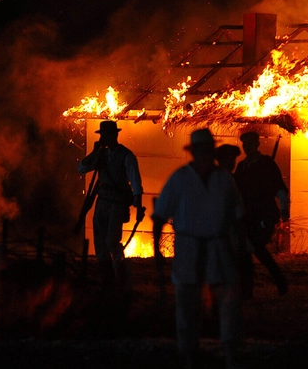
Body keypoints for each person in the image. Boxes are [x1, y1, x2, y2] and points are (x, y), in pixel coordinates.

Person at [152, 128, 247, 369]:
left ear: (211, 152)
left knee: (229, 302)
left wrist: (240, 250)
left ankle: (230, 355)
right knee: (186, 304)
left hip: (219, 246)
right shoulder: (180, 179)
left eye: (207, 150)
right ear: (193, 152)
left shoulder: (225, 180)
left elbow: (237, 217)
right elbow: (160, 217)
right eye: (200, 150)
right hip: (188, 248)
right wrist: (157, 254)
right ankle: (188, 356)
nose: (204, 154)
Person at [77, 120, 144, 295]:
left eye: (105, 135)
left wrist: (138, 199)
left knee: (112, 241)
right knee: (100, 243)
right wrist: (94, 152)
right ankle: (108, 280)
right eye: (102, 135)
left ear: (114, 135)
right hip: (102, 201)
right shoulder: (101, 155)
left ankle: (121, 277)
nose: (103, 138)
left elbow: (135, 180)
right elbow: (81, 169)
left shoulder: (126, 155)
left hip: (117, 203)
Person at [234, 131, 290, 297]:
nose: (247, 147)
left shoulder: (267, 164)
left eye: (250, 144)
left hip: (264, 214)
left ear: (257, 145)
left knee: (257, 247)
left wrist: (284, 209)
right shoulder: (242, 166)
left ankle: (279, 280)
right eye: (245, 144)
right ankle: (249, 288)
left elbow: (279, 189)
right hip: (247, 216)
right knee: (249, 250)